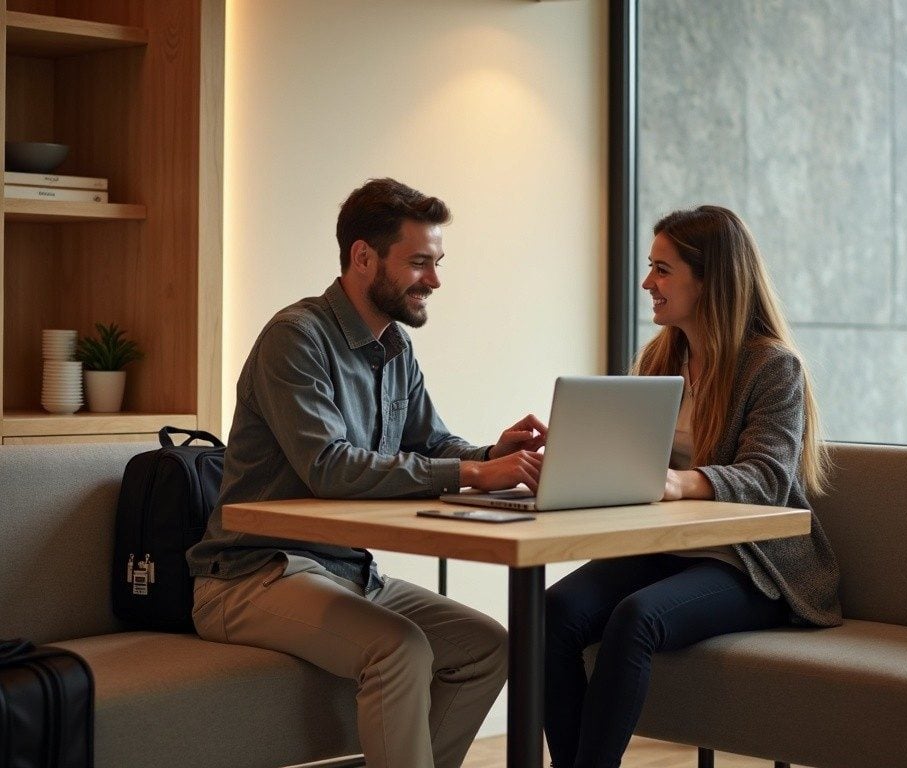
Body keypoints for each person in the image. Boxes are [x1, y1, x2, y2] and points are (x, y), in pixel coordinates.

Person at [186, 177, 546, 768]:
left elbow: (432, 444)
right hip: (251, 574)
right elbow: (330, 468)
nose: (434, 280)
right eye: (420, 263)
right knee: (399, 648)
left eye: (437, 263)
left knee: (488, 647)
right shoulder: (295, 339)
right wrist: (473, 476)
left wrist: (488, 455)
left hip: (347, 571)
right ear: (363, 257)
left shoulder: (396, 347)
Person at [543, 205, 842, 768]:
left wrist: (680, 483)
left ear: (710, 281)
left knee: (637, 617)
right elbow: (631, 466)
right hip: (668, 552)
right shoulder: (661, 359)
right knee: (552, 612)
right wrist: (572, 461)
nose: (646, 283)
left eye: (662, 269)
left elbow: (769, 477)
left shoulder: (772, 367)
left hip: (752, 564)